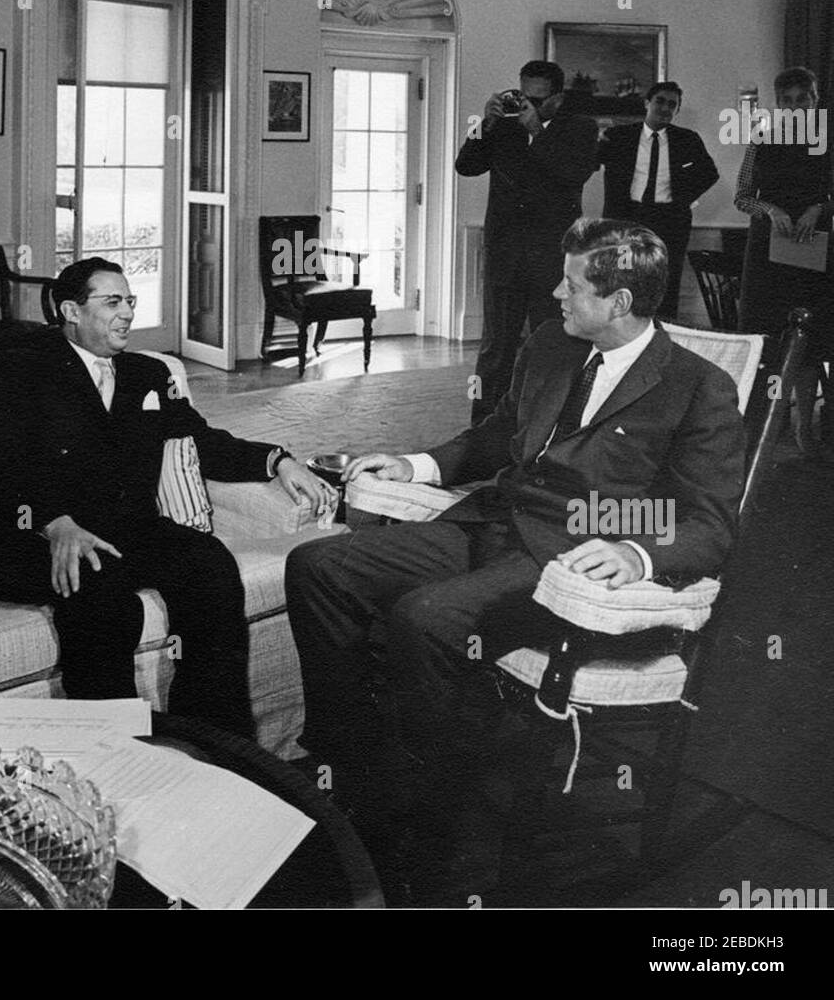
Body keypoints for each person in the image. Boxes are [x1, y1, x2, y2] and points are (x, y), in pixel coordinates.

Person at [285, 219, 743, 837]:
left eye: (572, 283)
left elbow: (709, 523)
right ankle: (353, 764)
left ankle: (431, 804)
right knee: (320, 567)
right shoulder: (551, 345)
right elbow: (501, 433)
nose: (556, 292)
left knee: (426, 618)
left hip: (564, 561)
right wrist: (415, 464)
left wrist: (635, 553)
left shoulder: (698, 387)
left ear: (619, 302)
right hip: (489, 522)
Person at [0, 256, 332, 738]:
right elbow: (2, 462)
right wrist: (54, 522)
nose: (126, 313)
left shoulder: (147, 374)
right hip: (36, 535)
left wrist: (278, 461)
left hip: (127, 528)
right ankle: (115, 748)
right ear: (71, 311)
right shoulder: (24, 368)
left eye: (130, 301)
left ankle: (212, 740)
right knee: (101, 590)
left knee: (210, 566)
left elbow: (201, 442)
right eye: (112, 302)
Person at [457, 60, 599, 423]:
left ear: (557, 98)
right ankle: (483, 428)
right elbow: (466, 165)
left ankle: (546, 427)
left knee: (553, 343)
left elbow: (573, 173)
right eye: (524, 96)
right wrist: (484, 125)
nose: (529, 106)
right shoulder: (503, 128)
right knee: (495, 349)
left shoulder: (580, 129)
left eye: (538, 99)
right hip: (505, 252)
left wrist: (538, 133)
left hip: (552, 257)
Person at [735, 67, 834, 459]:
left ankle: (802, 429)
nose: (796, 106)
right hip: (768, 251)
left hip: (815, 247)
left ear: (815, 98)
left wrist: (821, 207)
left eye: (803, 99)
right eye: (788, 100)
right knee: (769, 338)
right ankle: (765, 426)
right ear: (779, 103)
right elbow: (742, 196)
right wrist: (768, 207)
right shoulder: (761, 136)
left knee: (811, 340)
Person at [599, 80, 719, 319]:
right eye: (660, 101)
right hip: (627, 219)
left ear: (677, 110)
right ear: (647, 103)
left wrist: (682, 200)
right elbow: (591, 161)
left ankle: (662, 333)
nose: (665, 108)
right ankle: (623, 331)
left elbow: (709, 174)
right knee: (624, 276)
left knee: (665, 281)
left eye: (672, 104)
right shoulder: (618, 136)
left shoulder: (688, 139)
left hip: (669, 222)